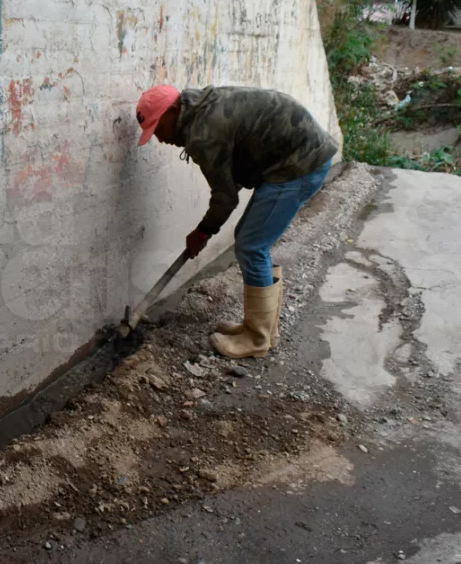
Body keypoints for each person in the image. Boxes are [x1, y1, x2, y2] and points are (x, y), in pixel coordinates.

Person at [135, 84, 338, 359]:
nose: (160, 138)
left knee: (252, 245)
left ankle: (256, 339)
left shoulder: (203, 134)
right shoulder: (202, 108)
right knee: (250, 239)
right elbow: (233, 174)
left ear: (173, 111)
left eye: (158, 128)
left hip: (299, 165)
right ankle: (264, 329)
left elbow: (226, 196)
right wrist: (207, 228)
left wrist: (203, 231)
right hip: (297, 156)